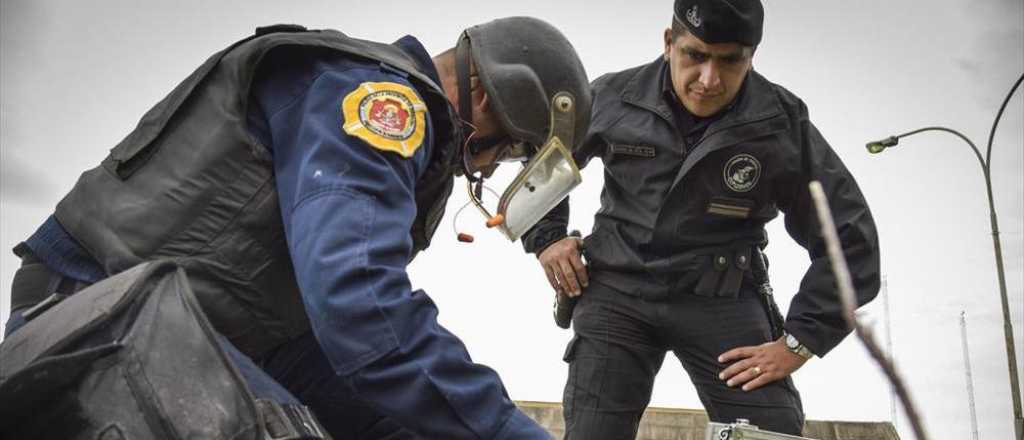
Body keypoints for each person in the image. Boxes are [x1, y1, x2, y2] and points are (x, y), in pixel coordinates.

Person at [2, 17, 590, 439]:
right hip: (103, 307)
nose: (489, 166)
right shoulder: (381, 102)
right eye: (511, 149)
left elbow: (342, 317)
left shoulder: (384, 106)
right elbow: (357, 302)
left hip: (212, 323)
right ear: (486, 95)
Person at [522, 1, 881, 437]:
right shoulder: (613, 98)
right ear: (670, 42)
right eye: (695, 55)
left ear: (751, 56)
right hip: (618, 290)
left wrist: (799, 342)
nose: (709, 80)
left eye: (730, 61)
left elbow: (851, 240)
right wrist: (548, 238)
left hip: (722, 296)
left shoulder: (778, 123)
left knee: (770, 434)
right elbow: (543, 162)